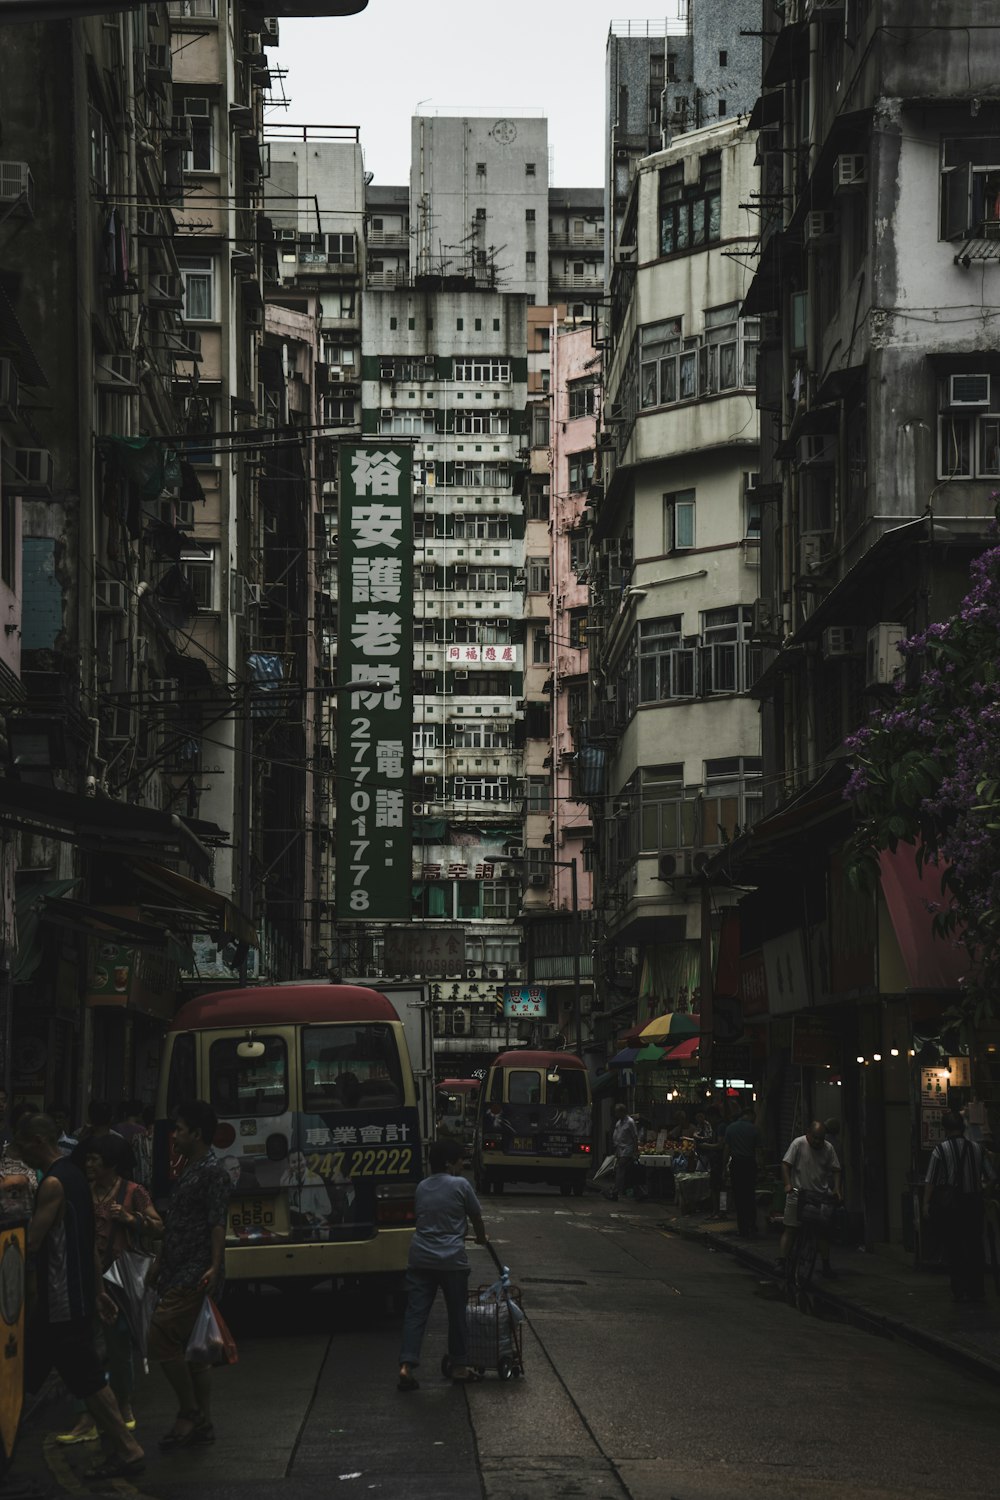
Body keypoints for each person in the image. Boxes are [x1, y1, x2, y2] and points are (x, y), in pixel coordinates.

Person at [14, 1113, 145, 1482]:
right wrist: (99, 1291)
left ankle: (127, 1448)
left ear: (37, 1142)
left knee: (85, 1377)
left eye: (22, 1146)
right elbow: (88, 1242)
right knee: (33, 1375)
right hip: (73, 1298)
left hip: (60, 1300)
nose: (19, 1153)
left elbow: (32, 1243)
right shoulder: (76, 1178)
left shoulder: (54, 1183)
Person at [55, 1133, 163, 1445]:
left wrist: (130, 1218)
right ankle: (85, 1417)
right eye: (86, 1159)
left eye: (94, 1160)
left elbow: (158, 1226)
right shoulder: (81, 1191)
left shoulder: (133, 1192)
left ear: (111, 1163)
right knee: (82, 1347)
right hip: (85, 1279)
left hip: (117, 1279)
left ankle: (123, 1405)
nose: (88, 1165)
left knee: (118, 1348)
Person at [147, 1099, 230, 1449]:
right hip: (176, 1267)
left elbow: (216, 1222)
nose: (175, 1136)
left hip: (195, 1271)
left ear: (196, 1133)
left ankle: (189, 1410)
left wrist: (214, 1265)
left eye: (180, 1129)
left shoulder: (213, 1171)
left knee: (161, 1335)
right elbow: (177, 1223)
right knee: (195, 1350)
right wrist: (159, 1260)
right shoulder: (188, 1168)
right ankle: (204, 1422)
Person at [398, 1137, 486, 1391]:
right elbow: (476, 1217)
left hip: (420, 1258)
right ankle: (458, 1366)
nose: (461, 1166)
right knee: (456, 1314)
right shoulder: (461, 1185)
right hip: (451, 1261)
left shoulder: (422, 1187)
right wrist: (481, 1237)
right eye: (460, 1161)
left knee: (416, 1313)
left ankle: (406, 1365)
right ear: (449, 1163)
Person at [923, 1108, 996, 1304]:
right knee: (974, 1245)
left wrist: (926, 1203)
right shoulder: (978, 1148)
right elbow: (992, 1177)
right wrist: (983, 1192)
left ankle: (959, 1288)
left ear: (945, 1129)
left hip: (951, 1206)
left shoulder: (940, 1150)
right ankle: (977, 1289)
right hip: (973, 1203)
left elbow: (931, 1180)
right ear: (963, 1127)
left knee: (954, 1246)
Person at [777, 1121, 842, 1278]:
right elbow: (786, 1164)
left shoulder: (828, 1148)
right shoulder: (798, 1144)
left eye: (821, 1138)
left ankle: (826, 1265)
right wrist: (787, 1184)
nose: (818, 1142)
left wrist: (837, 1189)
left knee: (821, 1233)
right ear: (808, 1134)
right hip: (797, 1194)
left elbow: (836, 1170)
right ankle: (782, 1261)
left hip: (819, 1196)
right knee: (791, 1229)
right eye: (815, 1138)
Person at [724, 1105, 763, 1237]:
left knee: (739, 1197)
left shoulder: (730, 1128)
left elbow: (726, 1150)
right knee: (750, 1196)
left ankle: (742, 1228)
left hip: (736, 1165)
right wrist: (761, 1168)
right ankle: (752, 1224)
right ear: (750, 1115)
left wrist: (724, 1167)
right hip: (749, 1165)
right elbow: (758, 1152)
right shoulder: (754, 1130)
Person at [605, 1104, 644, 1203]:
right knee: (626, 1171)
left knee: (620, 1168)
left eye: (617, 1112)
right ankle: (639, 1191)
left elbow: (635, 1136)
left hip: (628, 1149)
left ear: (622, 1112)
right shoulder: (619, 1123)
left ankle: (615, 1191)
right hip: (620, 1149)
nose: (616, 1114)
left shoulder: (630, 1122)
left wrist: (635, 1150)